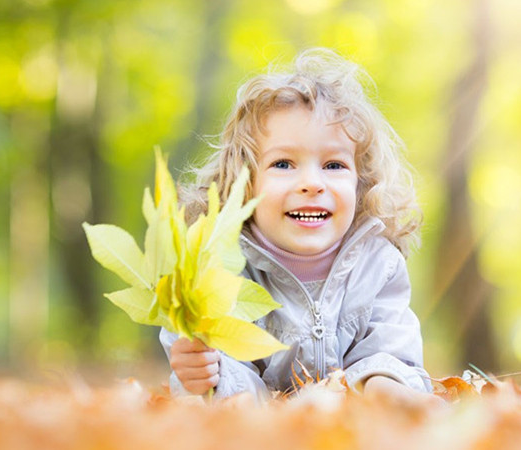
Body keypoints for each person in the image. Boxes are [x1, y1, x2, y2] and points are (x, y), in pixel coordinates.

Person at [160, 48, 433, 403]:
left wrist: (382, 382)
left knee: (386, 380)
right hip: (254, 415)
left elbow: (393, 348)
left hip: (354, 412)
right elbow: (207, 362)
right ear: (244, 182)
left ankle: (403, 410)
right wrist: (202, 372)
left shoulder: (378, 265)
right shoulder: (219, 269)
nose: (312, 183)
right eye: (284, 164)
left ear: (360, 184)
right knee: (226, 393)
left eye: (334, 165)